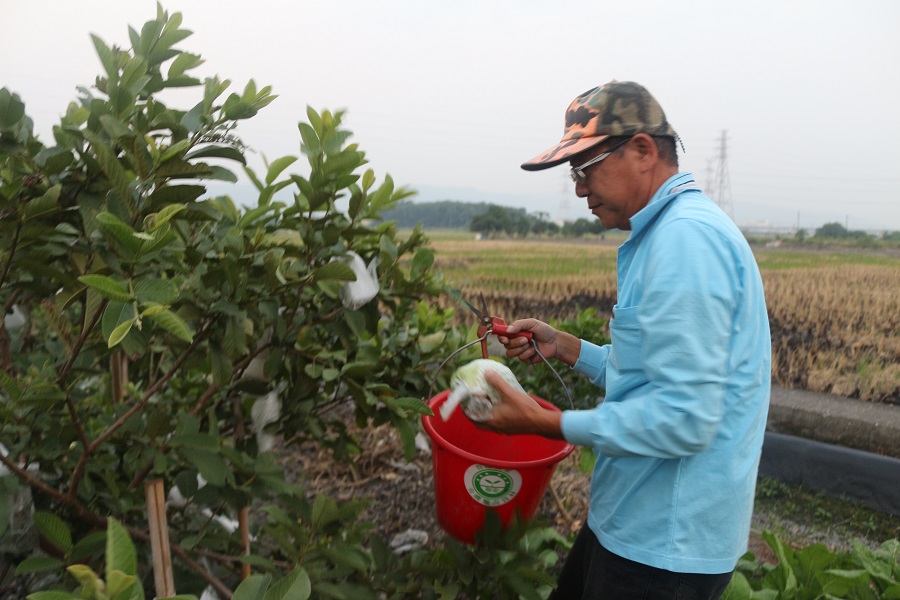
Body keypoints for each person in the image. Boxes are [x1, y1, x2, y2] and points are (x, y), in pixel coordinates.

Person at [481, 81, 771, 600]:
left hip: (664, 550)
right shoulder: (660, 236)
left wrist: (544, 423)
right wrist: (567, 347)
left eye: (586, 168)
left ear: (642, 150)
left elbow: (683, 418)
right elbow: (651, 378)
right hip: (629, 520)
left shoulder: (686, 241)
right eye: (574, 172)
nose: (578, 189)